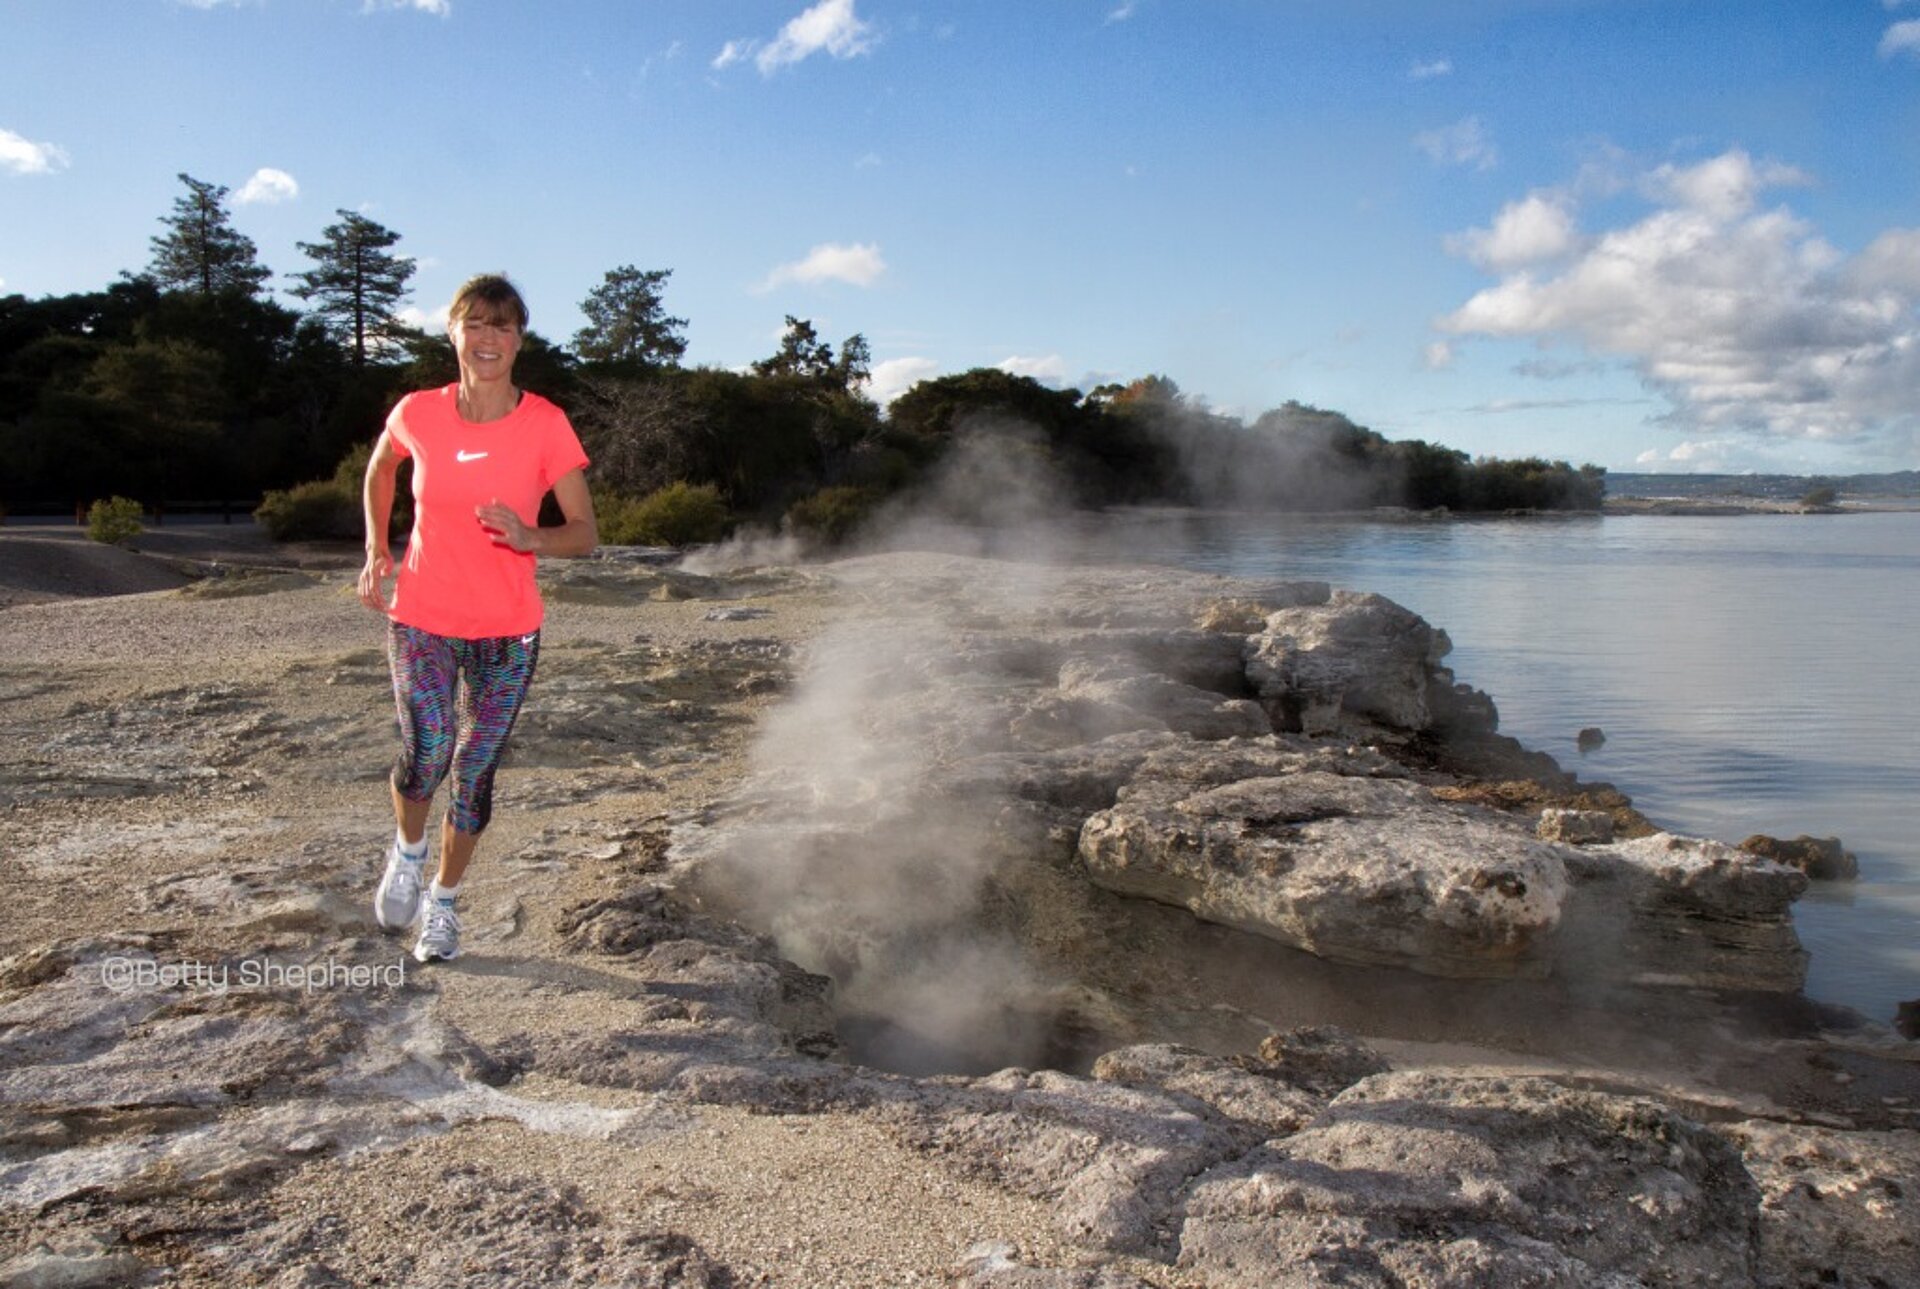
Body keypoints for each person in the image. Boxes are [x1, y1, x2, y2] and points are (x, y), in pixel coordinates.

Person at [357, 273, 597, 963]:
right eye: (476, 323)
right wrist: (378, 549)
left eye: (504, 326)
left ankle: (444, 901)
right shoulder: (418, 411)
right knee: (427, 750)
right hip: (425, 614)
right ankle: (407, 851)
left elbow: (584, 531)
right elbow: (380, 469)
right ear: (453, 332)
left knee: (474, 772)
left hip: (508, 629)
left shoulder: (545, 423)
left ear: (520, 341)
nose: (488, 338)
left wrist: (532, 536)